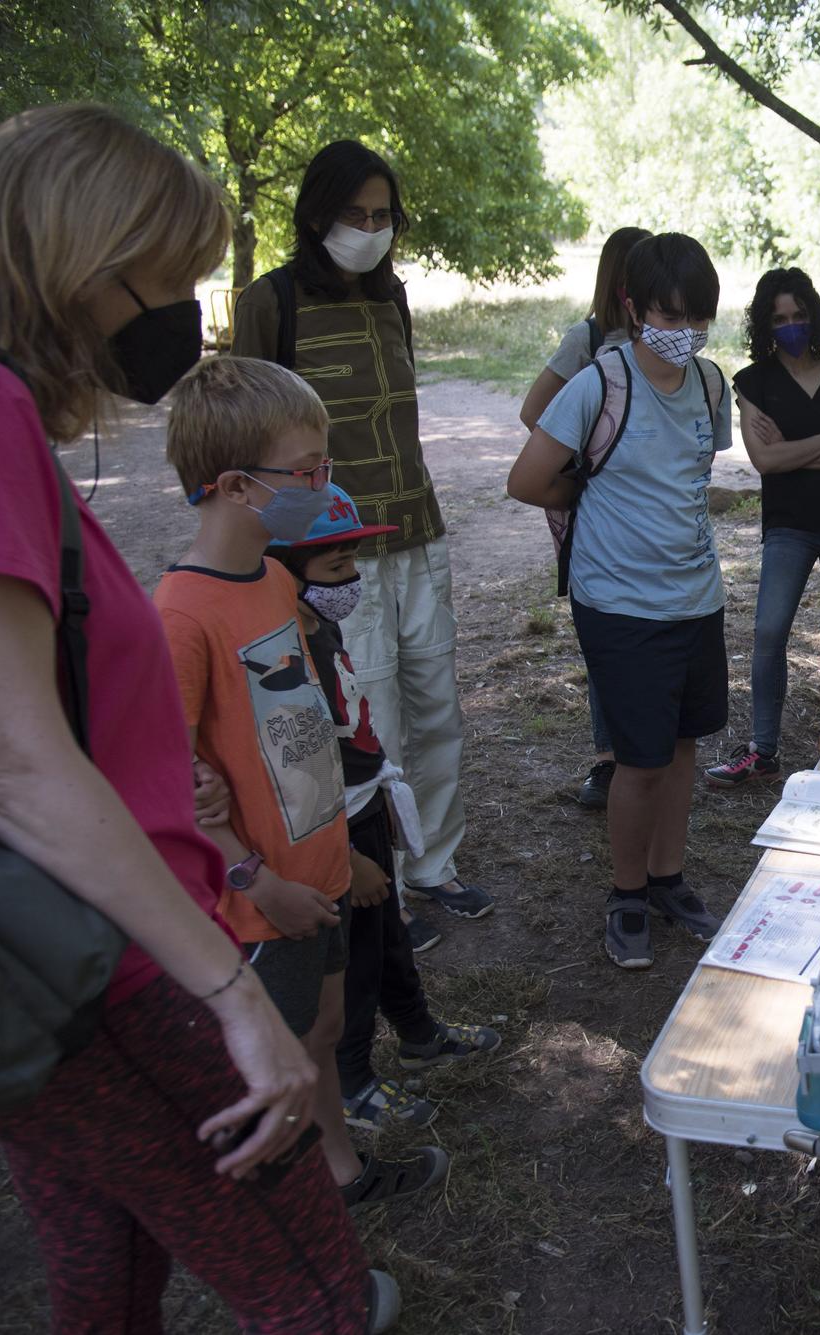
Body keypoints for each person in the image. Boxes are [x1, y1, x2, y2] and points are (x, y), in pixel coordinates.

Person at [0, 103, 394, 1332]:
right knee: (316, 1289)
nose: (182, 314)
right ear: (86, 260)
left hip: (28, 955)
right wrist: (226, 994)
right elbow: (11, 758)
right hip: (95, 959)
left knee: (105, 1278)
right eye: (171, 280)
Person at [159, 354, 448, 1212]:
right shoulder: (179, 614)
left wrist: (340, 854)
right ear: (240, 487)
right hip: (261, 899)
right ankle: (288, 1216)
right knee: (278, 1058)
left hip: (317, 868)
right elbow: (167, 780)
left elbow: (303, 734)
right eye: (309, 472)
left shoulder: (279, 579)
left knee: (322, 1031)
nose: (324, 487)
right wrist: (257, 879)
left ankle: (340, 1174)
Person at [233, 140, 491, 927]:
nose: (372, 229)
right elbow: (244, 435)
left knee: (437, 710)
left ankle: (436, 865)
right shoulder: (270, 302)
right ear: (317, 215)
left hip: (418, 531)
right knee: (368, 719)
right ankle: (380, 886)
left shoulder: (393, 299)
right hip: (336, 558)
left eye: (384, 216)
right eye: (357, 214)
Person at [506, 232, 732, 971]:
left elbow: (691, 476)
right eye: (668, 316)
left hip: (696, 598)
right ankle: (626, 894)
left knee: (685, 745)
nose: (683, 332)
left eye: (697, 317)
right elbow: (528, 478)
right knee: (637, 762)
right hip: (621, 606)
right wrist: (589, 494)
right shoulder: (597, 385)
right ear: (634, 309)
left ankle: (667, 878)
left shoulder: (710, 384)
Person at [266, 485, 501, 1129]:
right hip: (332, 823)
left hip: (366, 803)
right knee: (355, 961)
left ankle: (420, 1033)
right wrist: (343, 851)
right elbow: (293, 769)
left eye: (354, 564)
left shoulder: (323, 621)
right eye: (337, 568)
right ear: (284, 567)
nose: (353, 580)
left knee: (390, 936)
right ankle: (351, 1080)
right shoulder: (283, 649)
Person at [707, 266, 820, 786]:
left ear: (814, 316)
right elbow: (765, 462)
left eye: (799, 316)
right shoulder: (753, 382)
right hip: (789, 527)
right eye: (780, 319)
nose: (791, 326)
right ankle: (763, 750)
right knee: (768, 630)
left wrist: (795, 449)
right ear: (764, 324)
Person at [519, 225, 652, 812]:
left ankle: (650, 750)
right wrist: (579, 467)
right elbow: (533, 410)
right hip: (593, 508)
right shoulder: (589, 336)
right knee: (603, 628)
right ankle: (608, 760)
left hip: (649, 511)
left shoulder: (665, 338)